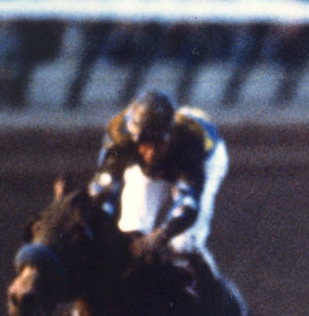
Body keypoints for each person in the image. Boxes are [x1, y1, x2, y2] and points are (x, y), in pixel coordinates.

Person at [88, 90, 229, 279]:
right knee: (130, 228)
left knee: (184, 244)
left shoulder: (189, 143)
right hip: (154, 165)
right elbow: (101, 192)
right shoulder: (118, 137)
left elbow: (188, 205)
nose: (151, 152)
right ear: (133, 137)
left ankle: (217, 297)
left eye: (158, 142)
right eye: (144, 143)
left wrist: (160, 236)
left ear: (170, 136)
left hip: (207, 158)